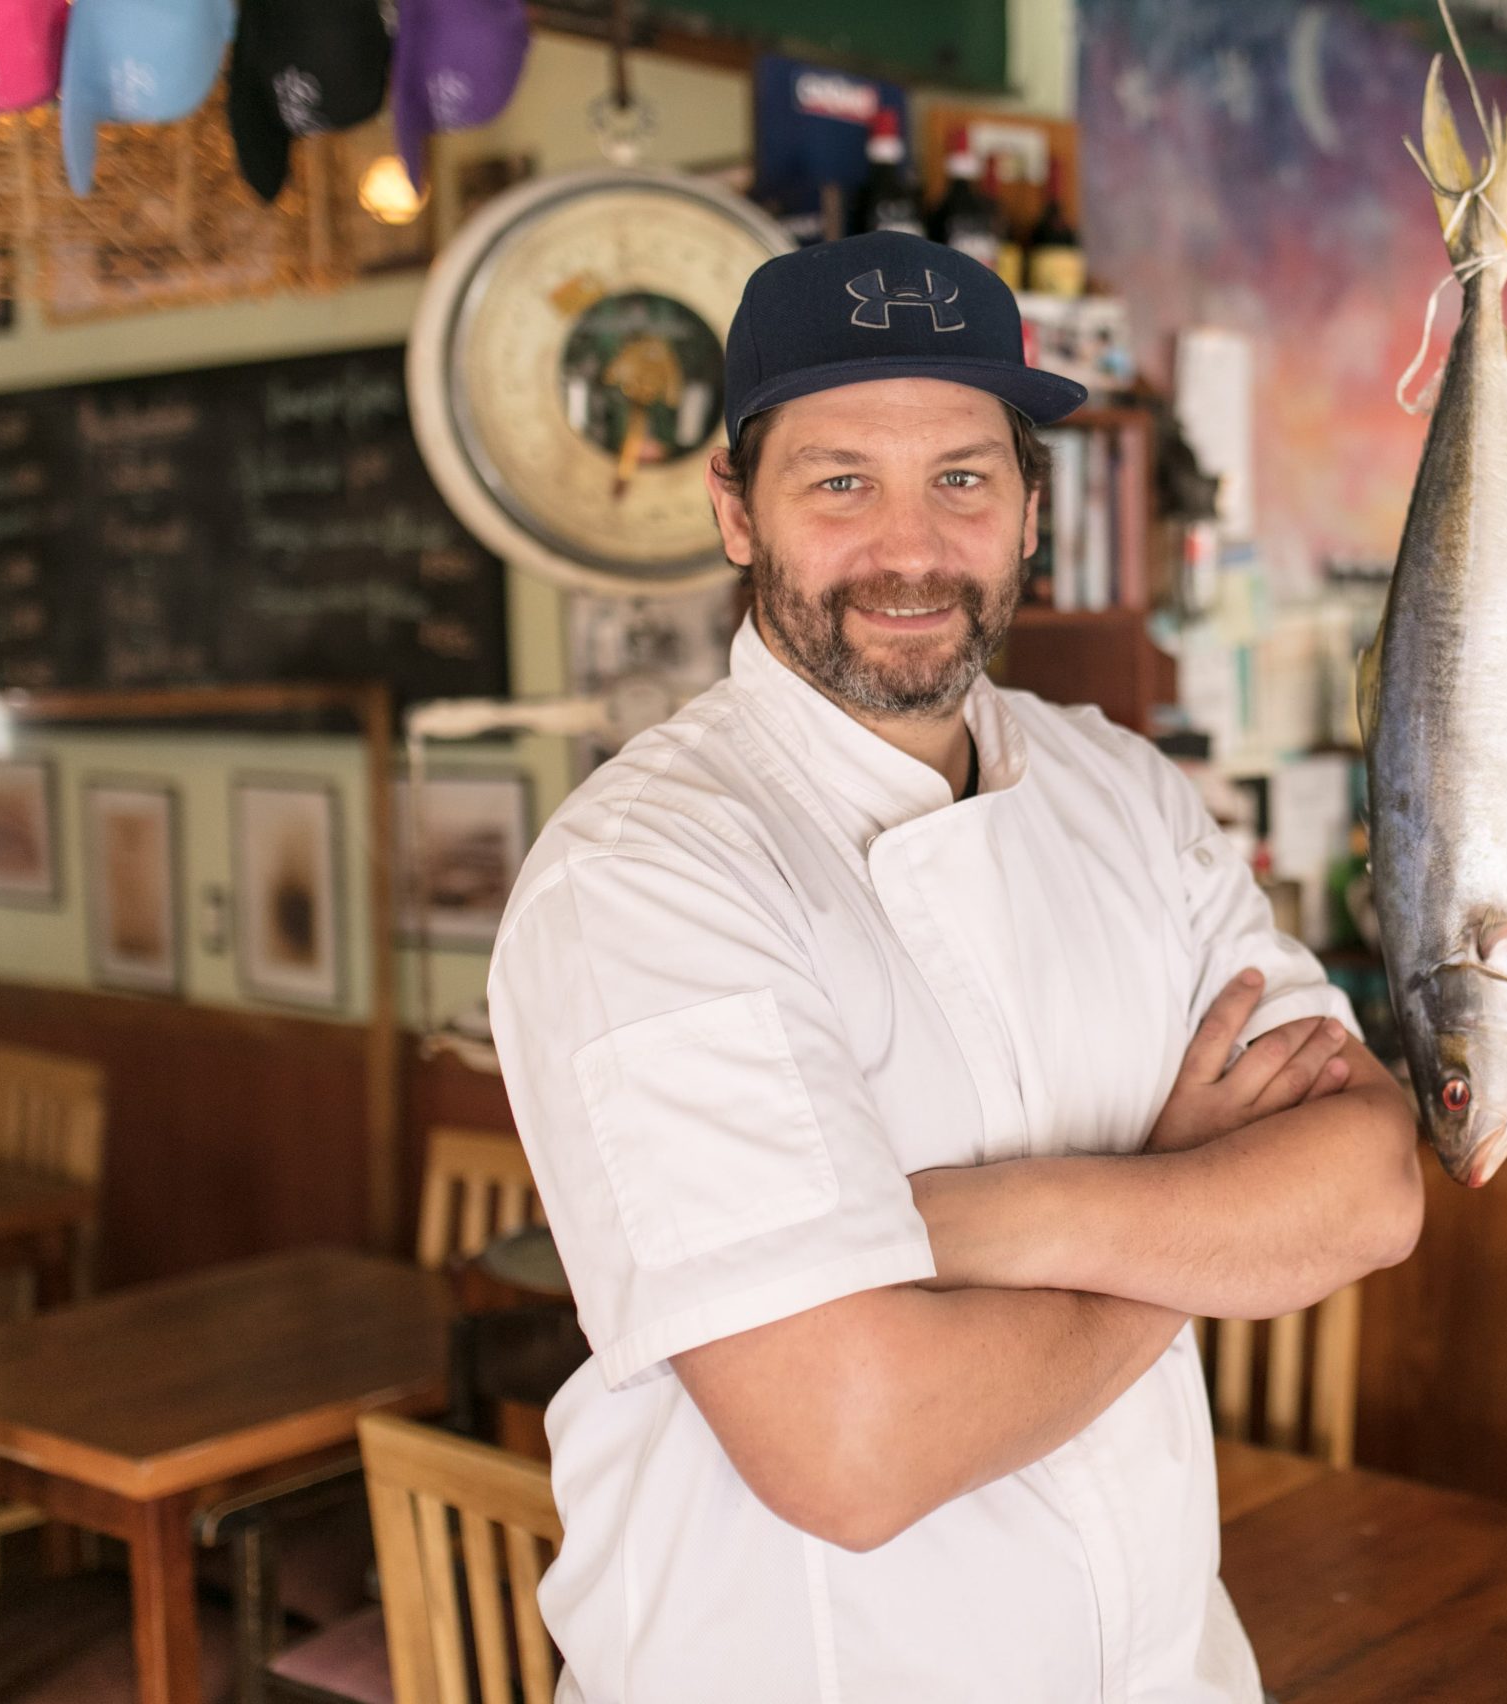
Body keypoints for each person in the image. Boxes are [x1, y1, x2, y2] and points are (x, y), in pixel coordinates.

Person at [487, 228, 1426, 1703]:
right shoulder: (650, 877)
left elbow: (1369, 1185)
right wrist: (1192, 1218)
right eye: (841, 480)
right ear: (735, 506)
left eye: (964, 479)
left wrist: (976, 1219)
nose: (912, 548)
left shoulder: (1120, 790)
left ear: (1034, 510)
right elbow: (855, 1451)